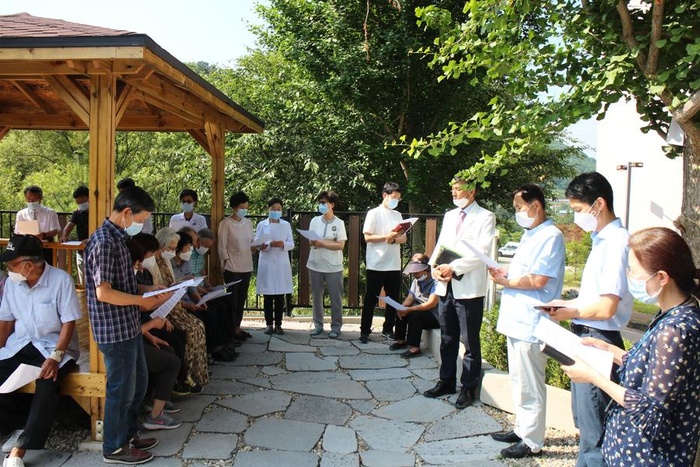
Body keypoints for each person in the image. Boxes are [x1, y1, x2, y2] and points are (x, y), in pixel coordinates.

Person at [561, 227, 700, 466]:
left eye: (634, 272)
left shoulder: (675, 330)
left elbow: (649, 410)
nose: (629, 277)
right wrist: (612, 352)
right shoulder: (673, 313)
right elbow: (658, 373)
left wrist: (594, 378)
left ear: (662, 278)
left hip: (647, 457)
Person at [544, 172, 632, 467]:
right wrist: (566, 305)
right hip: (587, 335)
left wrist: (569, 311)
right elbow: (594, 297)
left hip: (598, 340)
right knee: (585, 425)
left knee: (595, 434)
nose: (576, 217)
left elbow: (606, 307)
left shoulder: (616, 242)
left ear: (599, 204)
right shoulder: (601, 240)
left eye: (578, 209)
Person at [84, 186, 171, 465]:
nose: (142, 225)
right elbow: (104, 292)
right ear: (126, 213)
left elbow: (124, 283)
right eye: (141, 219)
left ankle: (129, 434)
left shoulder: (120, 239)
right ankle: (114, 447)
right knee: (121, 391)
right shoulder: (103, 242)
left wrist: (148, 289)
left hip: (129, 326)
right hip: (113, 329)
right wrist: (141, 301)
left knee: (137, 386)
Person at [487, 184, 566, 459]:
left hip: (532, 321)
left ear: (536, 206)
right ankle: (521, 428)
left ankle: (532, 440)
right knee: (519, 380)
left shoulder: (551, 236)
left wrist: (505, 281)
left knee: (531, 383)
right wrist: (504, 272)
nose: (518, 213)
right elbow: (523, 271)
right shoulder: (530, 234)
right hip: (517, 319)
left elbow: (538, 279)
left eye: (520, 208)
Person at [0, 235, 81, 467]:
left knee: (47, 383)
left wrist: (56, 357)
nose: (8, 269)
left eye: (12, 264)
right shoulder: (12, 284)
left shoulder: (60, 280)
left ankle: (20, 449)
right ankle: (16, 424)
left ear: (28, 265)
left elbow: (68, 322)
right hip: (21, 344)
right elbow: (6, 321)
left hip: (54, 348)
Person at [423, 177, 496, 410]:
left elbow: (481, 252)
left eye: (458, 189)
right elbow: (441, 245)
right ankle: (446, 381)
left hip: (468, 287)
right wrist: (434, 268)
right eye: (452, 189)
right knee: (447, 338)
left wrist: (453, 268)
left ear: (472, 191)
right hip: (446, 285)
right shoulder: (450, 215)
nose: (454, 193)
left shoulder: (485, 216)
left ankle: (468, 387)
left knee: (469, 341)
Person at [146, 228, 210, 386]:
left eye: (174, 248)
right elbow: (156, 291)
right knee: (188, 332)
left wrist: (180, 285)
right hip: (163, 309)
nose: (173, 252)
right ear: (162, 245)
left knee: (198, 326)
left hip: (174, 304)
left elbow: (171, 284)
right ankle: (184, 375)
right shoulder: (152, 263)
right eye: (170, 248)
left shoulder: (166, 260)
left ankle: (197, 373)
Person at [359, 182, 407, 343]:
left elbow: (404, 238)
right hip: (376, 263)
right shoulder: (373, 213)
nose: (395, 201)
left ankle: (388, 329)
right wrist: (386, 237)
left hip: (393, 263)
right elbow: (367, 237)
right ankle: (365, 330)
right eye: (394, 197)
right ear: (384, 195)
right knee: (370, 299)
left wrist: (393, 239)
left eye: (398, 199)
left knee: (393, 298)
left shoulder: (398, 215)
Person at [307, 191, 347, 338]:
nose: (321, 205)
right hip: (315, 264)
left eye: (324, 203)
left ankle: (336, 327)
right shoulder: (314, 221)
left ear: (332, 205)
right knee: (316, 296)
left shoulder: (339, 223)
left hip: (333, 266)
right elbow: (311, 241)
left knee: (336, 298)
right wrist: (328, 242)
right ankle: (318, 325)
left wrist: (322, 243)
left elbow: (340, 245)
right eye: (320, 203)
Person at [218, 192, 255, 341]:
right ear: (234, 207)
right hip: (232, 266)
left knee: (241, 299)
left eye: (246, 207)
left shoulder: (248, 223)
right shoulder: (226, 223)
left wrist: (257, 246)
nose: (244, 210)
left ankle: (237, 326)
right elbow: (222, 246)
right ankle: (230, 329)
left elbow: (252, 242)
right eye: (241, 207)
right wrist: (225, 261)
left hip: (246, 265)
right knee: (232, 300)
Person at [255, 198, 294, 335]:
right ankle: (268, 324)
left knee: (279, 296)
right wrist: (265, 245)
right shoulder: (262, 225)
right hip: (267, 262)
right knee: (268, 295)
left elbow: (291, 243)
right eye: (273, 209)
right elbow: (257, 243)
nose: (276, 211)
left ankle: (278, 324)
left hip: (281, 262)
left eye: (279, 209)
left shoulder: (286, 225)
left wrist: (282, 244)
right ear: (268, 209)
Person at [389, 253, 440, 358]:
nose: (414, 274)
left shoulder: (436, 282)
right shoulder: (416, 281)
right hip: (420, 310)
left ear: (426, 269)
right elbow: (410, 298)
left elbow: (431, 304)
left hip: (434, 315)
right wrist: (402, 307)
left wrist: (410, 309)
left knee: (415, 315)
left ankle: (414, 348)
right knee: (401, 310)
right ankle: (400, 340)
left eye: (417, 272)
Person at [60, 185, 90, 285]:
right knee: (82, 279)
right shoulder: (77, 213)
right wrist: (64, 235)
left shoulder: (98, 212)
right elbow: (70, 225)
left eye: (83, 201)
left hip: (94, 249)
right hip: (81, 250)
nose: (81, 204)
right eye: (78, 202)